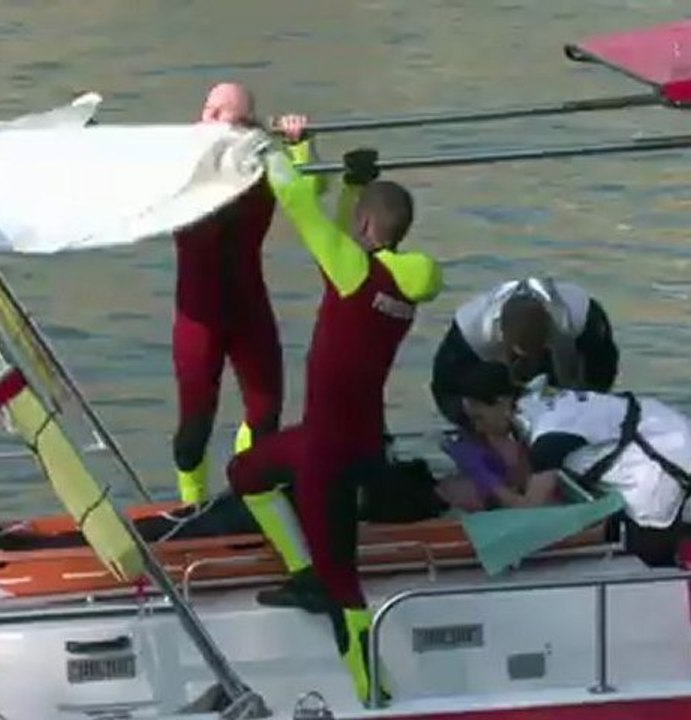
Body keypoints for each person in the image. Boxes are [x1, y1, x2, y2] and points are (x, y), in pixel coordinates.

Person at [223, 141, 442, 702]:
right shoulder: (393, 285)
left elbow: (298, 205)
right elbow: (340, 237)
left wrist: (273, 149)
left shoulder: (353, 274)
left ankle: (374, 695)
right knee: (246, 471)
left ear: (368, 224)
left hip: (327, 453)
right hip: (363, 440)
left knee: (345, 587)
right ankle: (306, 576)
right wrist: (347, 181)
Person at [171, 83, 322, 505]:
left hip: (248, 309)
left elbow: (310, 201)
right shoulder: (183, 161)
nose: (210, 118)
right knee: (194, 428)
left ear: (245, 123)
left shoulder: (262, 161)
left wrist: (299, 147)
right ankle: (191, 508)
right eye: (207, 109)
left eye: (222, 114)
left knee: (266, 414)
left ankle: (247, 498)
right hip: (198, 316)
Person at [450, 364, 691, 567]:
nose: (478, 427)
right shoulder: (534, 402)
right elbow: (527, 474)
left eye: (479, 417)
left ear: (501, 403)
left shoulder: (548, 434)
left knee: (650, 551)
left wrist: (486, 478)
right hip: (665, 431)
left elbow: (529, 508)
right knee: (637, 534)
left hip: (673, 453)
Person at [430, 277, 618, 430]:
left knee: (582, 401)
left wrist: (585, 409)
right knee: (479, 401)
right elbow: (444, 387)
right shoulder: (473, 329)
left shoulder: (579, 316)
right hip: (490, 362)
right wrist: (474, 417)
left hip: (566, 347)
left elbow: (603, 371)